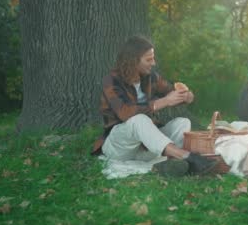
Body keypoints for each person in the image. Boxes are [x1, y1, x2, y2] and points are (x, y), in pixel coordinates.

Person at [92, 35, 218, 176]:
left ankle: (167, 163)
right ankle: (188, 157)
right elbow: (125, 113)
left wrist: (186, 96)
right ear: (133, 60)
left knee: (183, 123)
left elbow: (171, 92)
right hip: (120, 147)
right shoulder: (111, 80)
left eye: (153, 58)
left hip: (147, 149)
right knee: (139, 119)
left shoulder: (151, 77)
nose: (153, 63)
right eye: (149, 59)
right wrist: (164, 101)